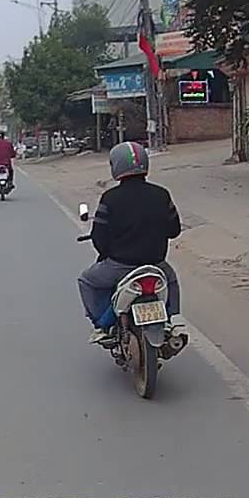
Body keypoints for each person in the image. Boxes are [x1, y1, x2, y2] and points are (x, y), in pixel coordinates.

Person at [77, 141, 181, 345]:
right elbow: (174, 230)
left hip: (120, 266)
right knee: (171, 281)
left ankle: (102, 326)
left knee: (86, 281)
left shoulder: (110, 198)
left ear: (116, 166)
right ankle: (174, 321)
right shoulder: (161, 194)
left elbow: (99, 237)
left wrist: (107, 254)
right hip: (156, 265)